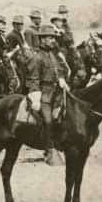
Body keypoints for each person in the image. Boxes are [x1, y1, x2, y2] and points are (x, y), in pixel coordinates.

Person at [26, 25, 70, 165]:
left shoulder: (53, 55)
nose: (53, 40)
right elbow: (33, 79)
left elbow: (60, 70)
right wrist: (35, 96)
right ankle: (49, 150)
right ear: (42, 39)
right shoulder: (36, 57)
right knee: (48, 121)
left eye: (53, 38)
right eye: (50, 38)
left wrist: (62, 79)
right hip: (43, 94)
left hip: (56, 92)